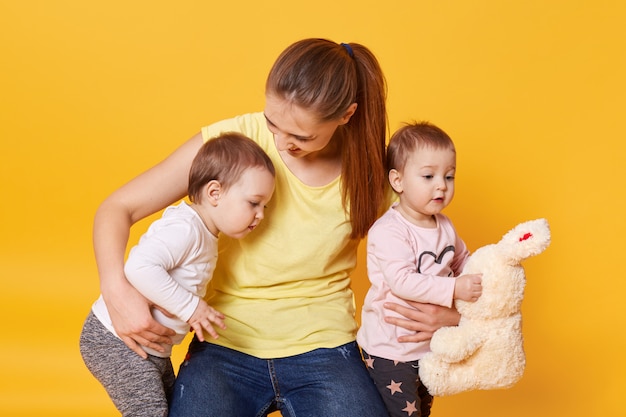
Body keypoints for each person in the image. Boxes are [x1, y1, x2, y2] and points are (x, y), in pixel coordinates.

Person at [92, 38, 460, 417]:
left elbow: (443, 256)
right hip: (223, 341)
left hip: (327, 347)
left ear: (346, 116)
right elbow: (118, 208)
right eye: (273, 123)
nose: (281, 143)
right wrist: (115, 288)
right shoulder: (233, 142)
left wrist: (454, 315)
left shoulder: (375, 172)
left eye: (301, 137)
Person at [80, 132, 276, 417]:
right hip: (115, 340)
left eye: (265, 206)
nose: (260, 215)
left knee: (174, 410)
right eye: (253, 203)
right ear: (214, 193)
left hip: (152, 348)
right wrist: (192, 308)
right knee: (149, 411)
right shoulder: (186, 228)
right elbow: (140, 267)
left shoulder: (205, 233)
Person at [357, 121, 483, 417]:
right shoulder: (390, 231)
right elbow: (402, 281)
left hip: (429, 345)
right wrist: (455, 289)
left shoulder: (445, 225)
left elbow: (463, 259)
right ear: (398, 181)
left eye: (449, 176)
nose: (441, 185)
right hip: (392, 350)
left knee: (423, 409)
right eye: (428, 176)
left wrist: (485, 272)